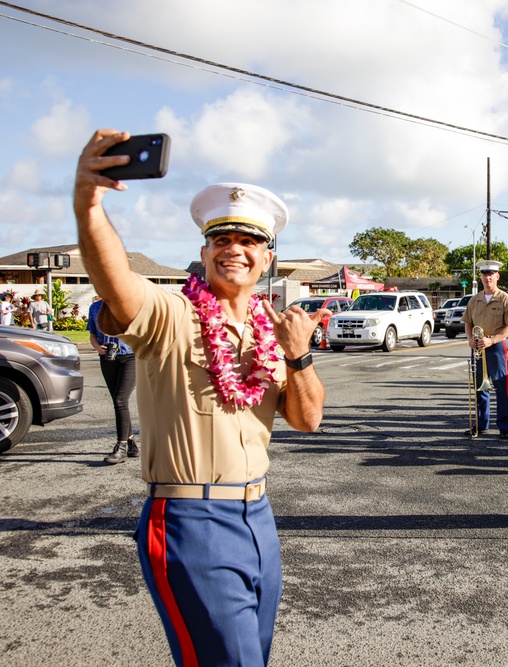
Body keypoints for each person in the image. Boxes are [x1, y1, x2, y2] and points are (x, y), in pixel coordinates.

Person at [74, 129, 328, 666]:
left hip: (258, 516)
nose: (233, 249)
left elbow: (307, 421)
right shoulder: (172, 315)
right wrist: (89, 203)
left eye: (249, 242)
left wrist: (299, 356)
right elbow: (117, 283)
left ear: (267, 260)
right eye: (221, 240)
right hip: (190, 520)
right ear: (205, 251)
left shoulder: (272, 332)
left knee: (251, 659)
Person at [462, 260, 508, 439]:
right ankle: (480, 424)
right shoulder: (474, 299)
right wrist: (470, 339)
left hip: (496, 347)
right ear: (481, 277)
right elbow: (468, 323)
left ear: (497, 276)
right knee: (479, 387)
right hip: (478, 347)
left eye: (491, 274)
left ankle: (504, 426)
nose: (488, 278)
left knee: (501, 387)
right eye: (485, 274)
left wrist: (492, 340)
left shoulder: (504, 299)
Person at [88, 295, 139, 464]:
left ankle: (122, 446)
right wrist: (98, 347)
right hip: (107, 359)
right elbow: (93, 334)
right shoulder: (95, 307)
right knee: (119, 402)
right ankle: (131, 443)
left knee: (120, 400)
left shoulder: (129, 303)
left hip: (130, 357)